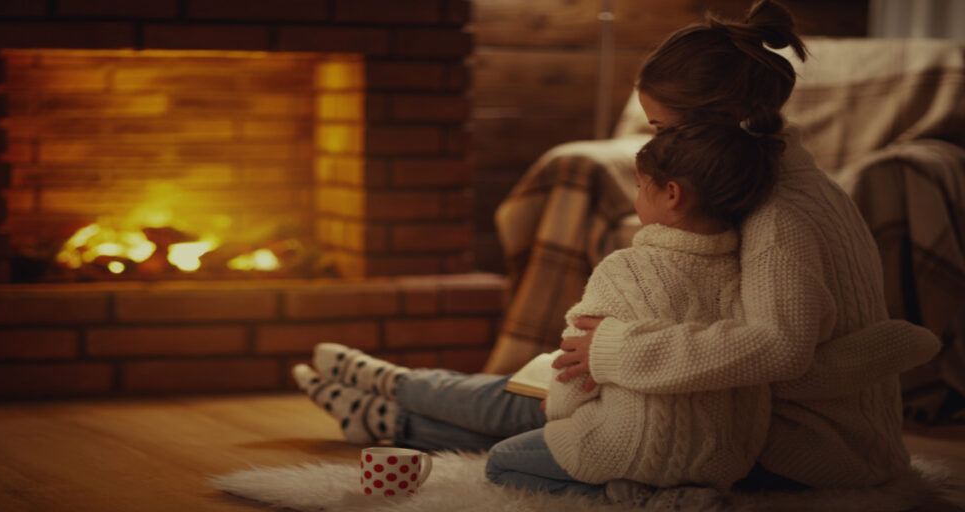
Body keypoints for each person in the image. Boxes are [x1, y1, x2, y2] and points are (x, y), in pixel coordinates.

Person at [290, 0, 940, 500]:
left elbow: (780, 346)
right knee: (560, 387)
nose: (655, 143)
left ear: (710, 122)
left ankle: (398, 398)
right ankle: (394, 403)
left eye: (661, 127)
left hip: (811, 447)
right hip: (765, 409)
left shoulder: (779, 214)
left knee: (557, 401)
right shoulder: (786, 179)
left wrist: (618, 351)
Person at [482, 120, 781, 499]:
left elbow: (574, 367)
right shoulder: (748, 273)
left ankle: (631, 495)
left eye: (640, 188)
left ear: (672, 194)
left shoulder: (625, 269)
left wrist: (557, 408)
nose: (636, 198)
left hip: (629, 446)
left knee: (501, 461)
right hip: (723, 459)